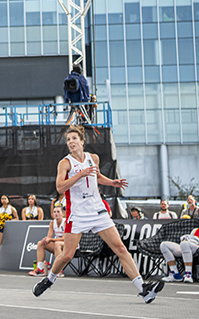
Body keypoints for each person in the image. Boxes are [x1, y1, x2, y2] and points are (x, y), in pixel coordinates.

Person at [32, 125, 164, 303]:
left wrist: (112, 182)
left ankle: (144, 289)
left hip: (97, 210)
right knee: (68, 255)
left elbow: (97, 176)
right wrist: (80, 174)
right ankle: (49, 280)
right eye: (68, 139)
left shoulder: (93, 158)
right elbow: (60, 187)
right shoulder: (65, 163)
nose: (71, 142)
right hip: (77, 213)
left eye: (74, 138)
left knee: (120, 248)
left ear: (82, 141)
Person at [160, 207, 199, 283]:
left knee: (185, 244)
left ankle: (188, 274)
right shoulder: (195, 230)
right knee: (164, 245)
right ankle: (175, 274)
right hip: (188, 249)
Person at [28, 205, 66, 276]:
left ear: (62, 214)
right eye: (54, 212)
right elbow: (49, 237)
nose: (56, 213)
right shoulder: (52, 223)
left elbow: (65, 238)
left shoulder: (65, 222)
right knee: (41, 243)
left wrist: (51, 239)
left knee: (57, 244)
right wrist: (46, 239)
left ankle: (59, 270)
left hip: (69, 246)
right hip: (58, 245)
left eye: (58, 212)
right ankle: (40, 269)